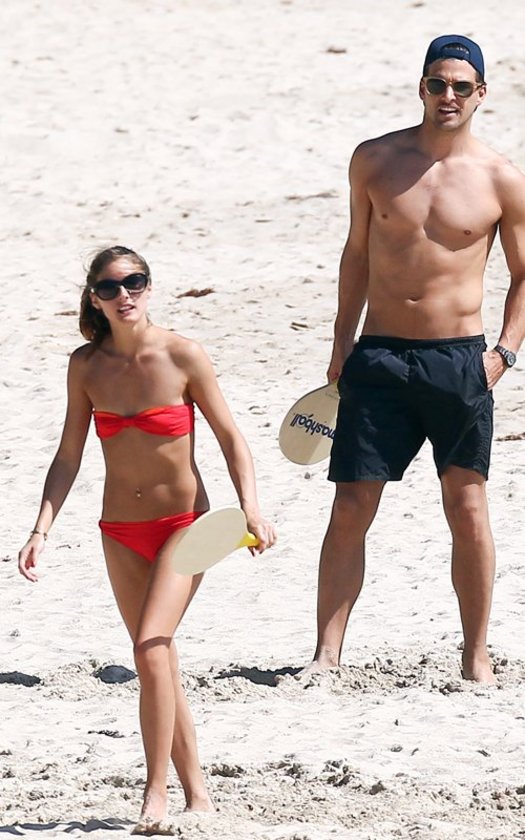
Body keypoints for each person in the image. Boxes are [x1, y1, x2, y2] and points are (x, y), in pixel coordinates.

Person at [18, 245, 276, 835]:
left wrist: (251, 509)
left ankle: (154, 792)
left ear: (150, 287)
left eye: (134, 282)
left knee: (149, 647)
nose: (124, 295)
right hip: (118, 531)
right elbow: (68, 455)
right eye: (110, 287)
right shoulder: (86, 366)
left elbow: (232, 438)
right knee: (156, 658)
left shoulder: (183, 354)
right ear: (94, 298)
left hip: (186, 526)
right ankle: (198, 794)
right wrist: (40, 529)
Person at [306, 35, 525, 685]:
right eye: (436, 83)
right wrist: (341, 341)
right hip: (379, 355)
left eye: (460, 85)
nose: (447, 95)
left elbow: (524, 275)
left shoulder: (500, 178)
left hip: (459, 361)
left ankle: (475, 656)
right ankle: (325, 655)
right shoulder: (374, 160)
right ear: (421, 87)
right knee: (351, 505)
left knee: (467, 507)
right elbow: (356, 253)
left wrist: (503, 354)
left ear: (480, 94)